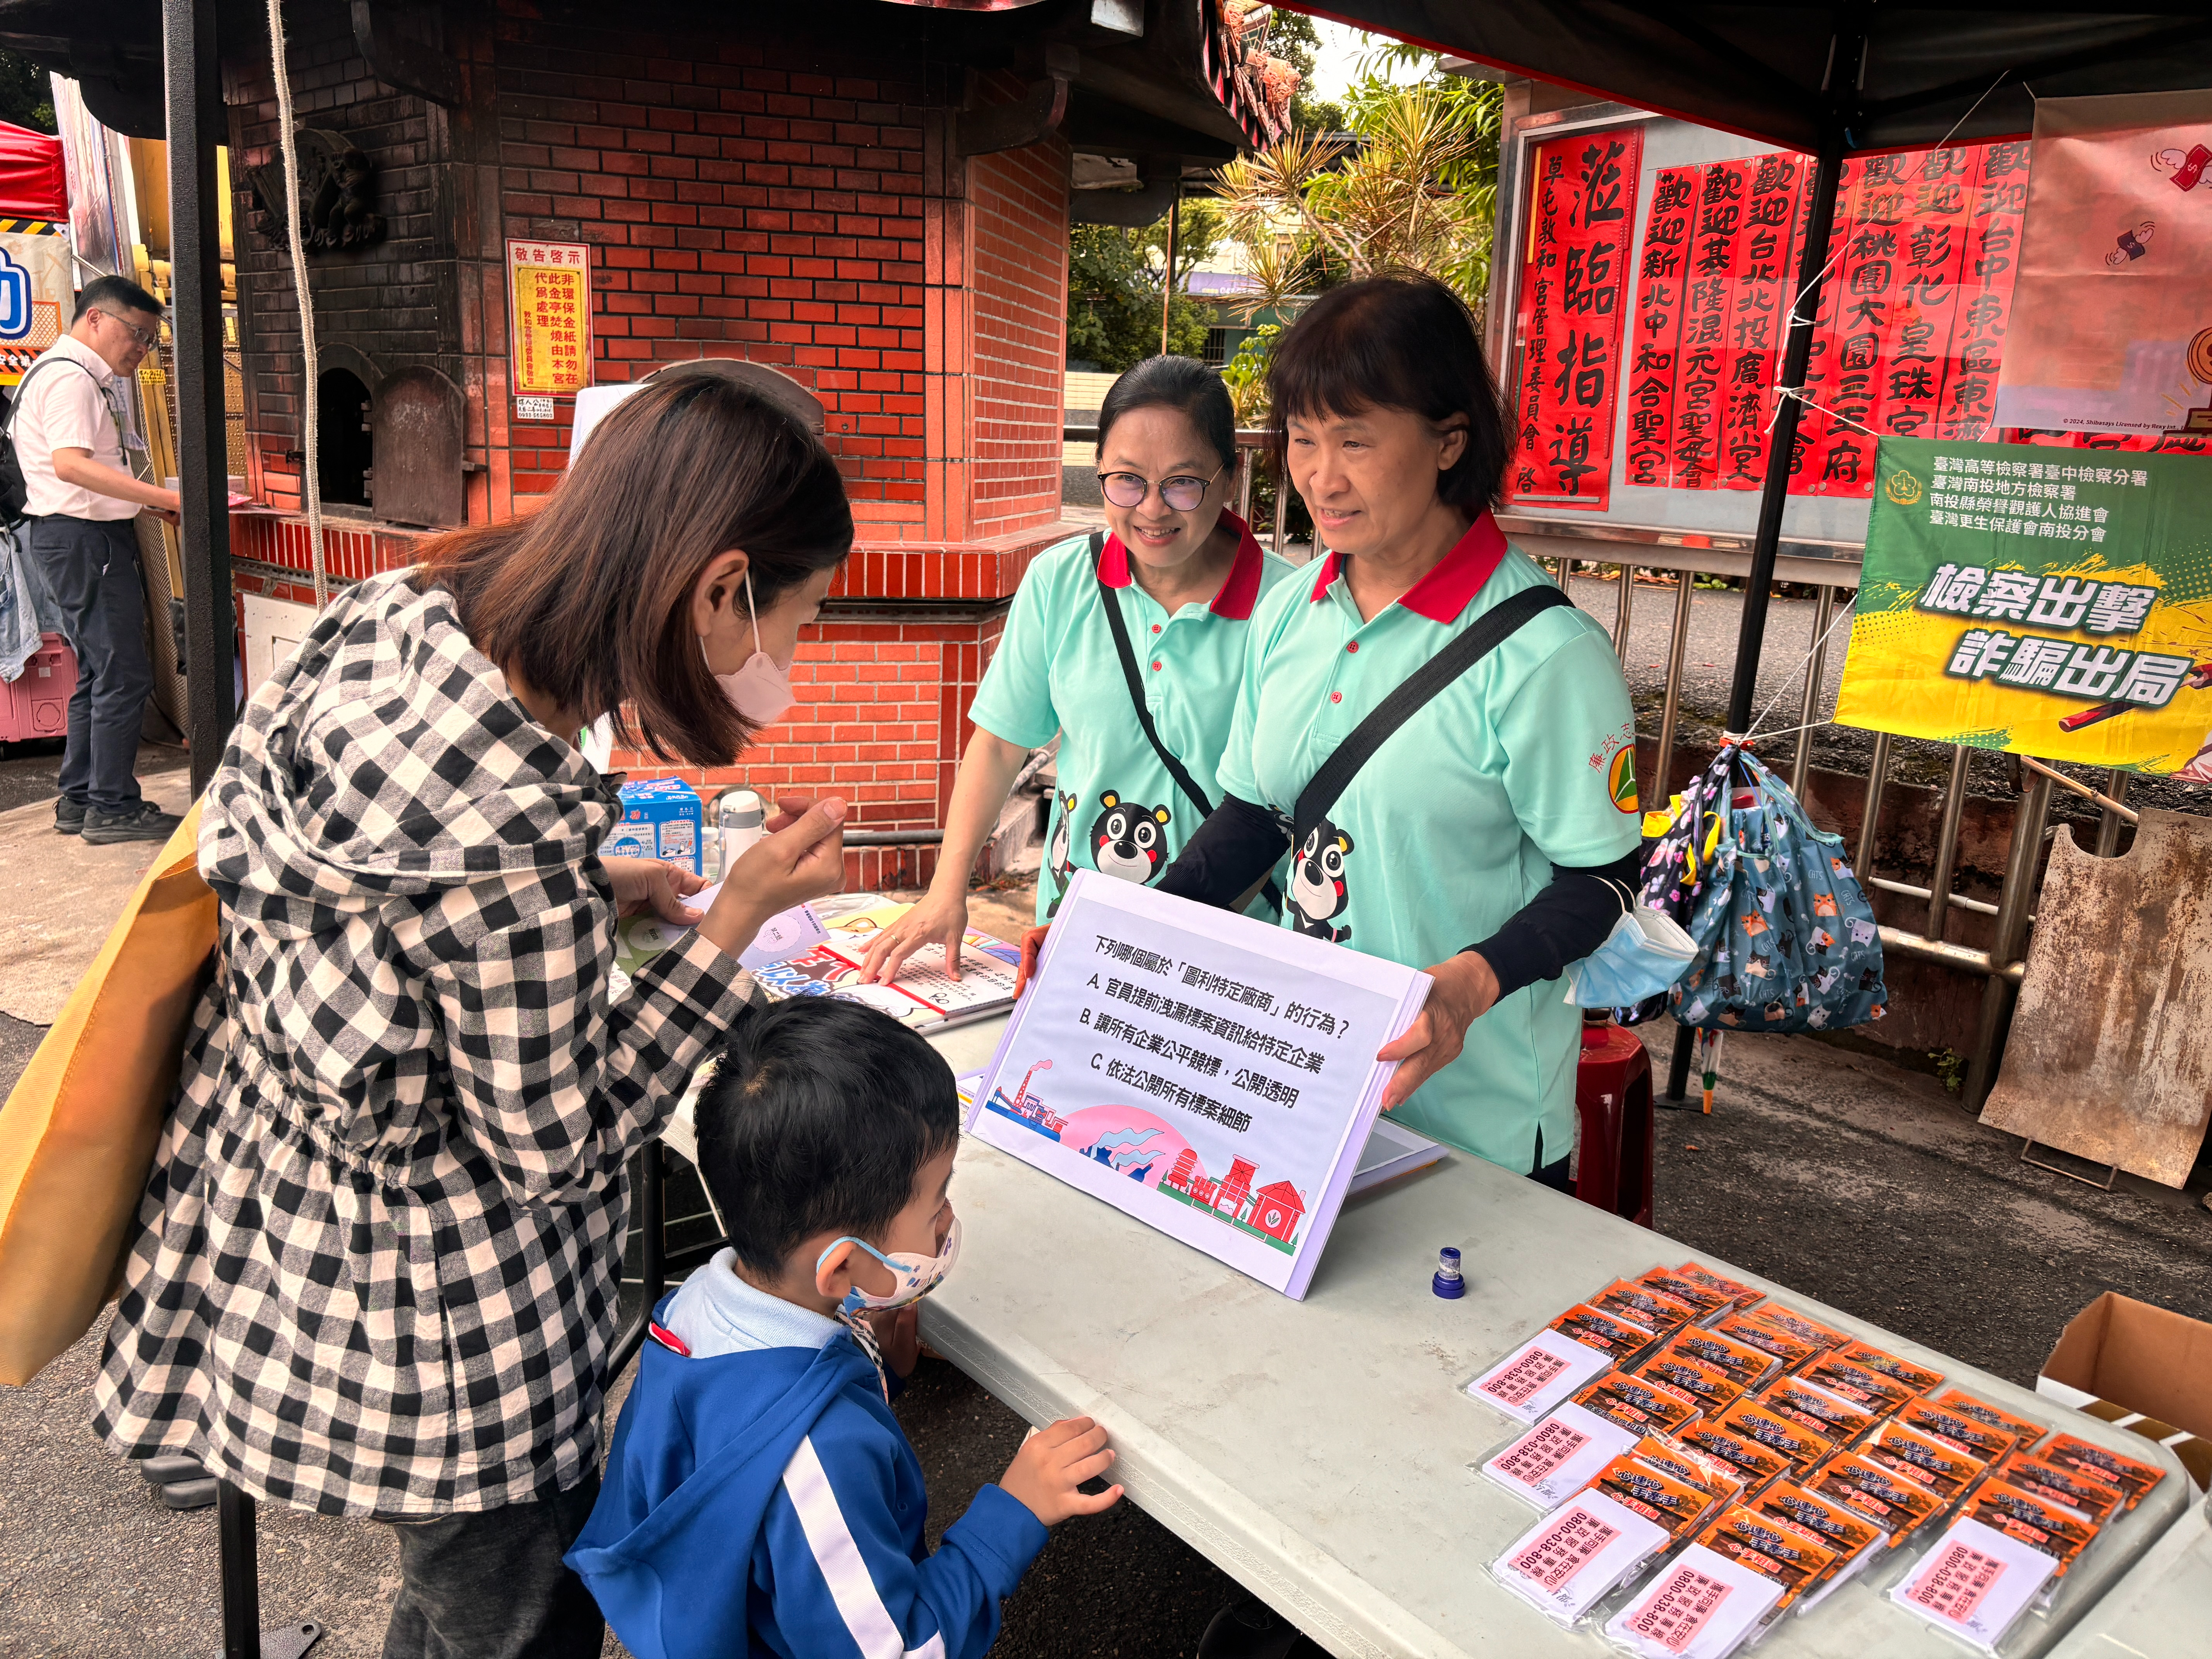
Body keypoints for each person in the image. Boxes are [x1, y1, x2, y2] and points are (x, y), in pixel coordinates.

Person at [93, 373, 854, 1658]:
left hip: (288, 1230)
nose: (790, 658)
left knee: (446, 1620)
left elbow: (389, 894)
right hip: (455, 1352)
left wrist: (586, 885)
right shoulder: (509, 825)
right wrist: (729, 932)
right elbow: (558, 1141)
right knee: (508, 1624)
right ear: (721, 589)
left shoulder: (404, 613)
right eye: (801, 617)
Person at [1155, 274, 1645, 1189]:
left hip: (1480, 1128)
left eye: (1356, 442)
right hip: (1305, 1091)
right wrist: (1123, 927)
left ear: (1449, 440)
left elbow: (1607, 876)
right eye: (1303, 440)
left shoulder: (1546, 655)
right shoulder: (1291, 610)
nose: (1320, 478)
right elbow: (1258, 817)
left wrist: (1470, 982)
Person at [568, 996, 1122, 1658]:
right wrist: (1014, 1513)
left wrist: (873, 1361)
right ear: (844, 1268)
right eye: (939, 1196)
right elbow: (896, 1650)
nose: (948, 1219)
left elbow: (745, 1418)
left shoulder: (692, 1311)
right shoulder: (819, 1456)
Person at [857, 355, 1289, 986]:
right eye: (1127, 480)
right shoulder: (1061, 581)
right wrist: (946, 889)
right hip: (1077, 936)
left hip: (1230, 945)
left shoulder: (1291, 608)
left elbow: (1275, 810)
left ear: (1228, 478)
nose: (1151, 509)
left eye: (1183, 483)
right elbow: (1001, 744)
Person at [14, 274, 186, 843]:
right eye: (134, 333)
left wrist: (144, 508)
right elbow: (71, 464)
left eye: (149, 339)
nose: (140, 348)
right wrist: (162, 498)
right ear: (95, 320)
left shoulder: (63, 375)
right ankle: (111, 806)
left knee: (97, 672)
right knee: (124, 673)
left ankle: (80, 798)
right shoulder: (71, 382)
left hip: (69, 539)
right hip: (84, 541)